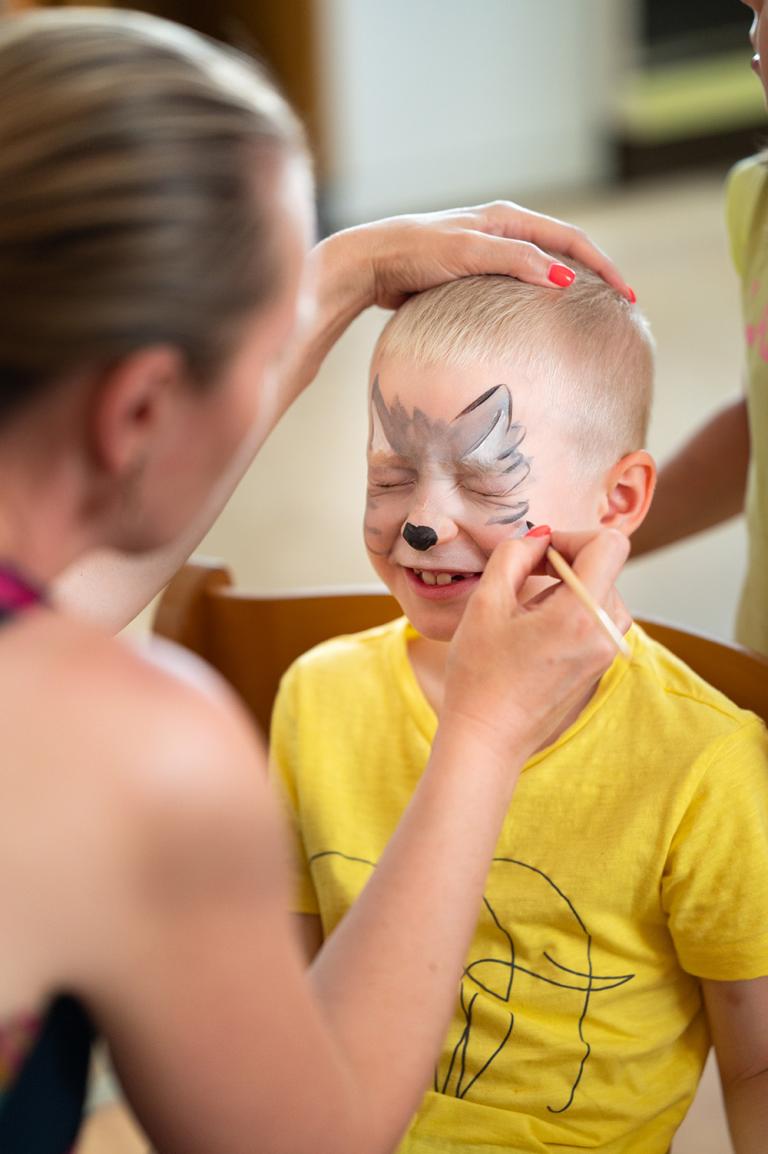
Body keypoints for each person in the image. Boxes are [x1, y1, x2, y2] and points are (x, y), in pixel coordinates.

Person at [0, 8, 635, 1154]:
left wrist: (348, 270)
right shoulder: (131, 749)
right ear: (140, 409)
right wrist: (486, 728)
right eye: (265, 351)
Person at [270, 269, 768, 1154]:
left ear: (620, 502)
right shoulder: (318, 694)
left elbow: (757, 1066)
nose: (423, 522)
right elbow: (282, 1007)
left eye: (483, 479)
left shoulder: (704, 761)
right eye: (391, 474)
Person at [631, 0, 768, 658]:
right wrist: (599, 537)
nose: (754, 40)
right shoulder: (756, 200)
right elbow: (758, 426)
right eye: (754, 10)